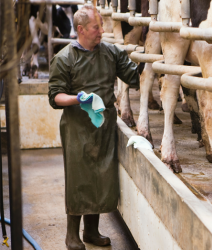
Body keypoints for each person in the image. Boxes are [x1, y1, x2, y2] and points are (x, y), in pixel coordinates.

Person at [48, 4, 139, 250]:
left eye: (100, 26)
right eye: (96, 27)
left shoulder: (110, 53)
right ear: (81, 30)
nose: (101, 31)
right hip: (77, 127)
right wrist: (78, 99)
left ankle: (91, 231)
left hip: (104, 127)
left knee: (101, 177)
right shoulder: (65, 58)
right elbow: (55, 97)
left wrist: (151, 57)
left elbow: (134, 75)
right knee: (79, 179)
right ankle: (71, 235)